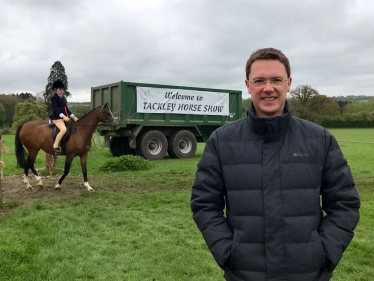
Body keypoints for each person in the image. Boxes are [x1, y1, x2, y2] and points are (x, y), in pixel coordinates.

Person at [190, 48, 360, 281]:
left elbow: (345, 204)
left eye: (276, 80)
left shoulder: (320, 140)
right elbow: (204, 204)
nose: (268, 88)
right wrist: (229, 254)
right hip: (245, 274)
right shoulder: (222, 142)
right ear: (248, 85)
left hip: (308, 274)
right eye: (259, 80)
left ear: (288, 83)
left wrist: (324, 253)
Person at [50, 79, 78, 155]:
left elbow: (66, 109)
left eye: (62, 89)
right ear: (55, 89)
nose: (61, 90)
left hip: (64, 118)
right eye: (60, 89)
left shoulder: (62, 99)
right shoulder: (54, 98)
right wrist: (63, 116)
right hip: (57, 118)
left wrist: (73, 116)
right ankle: (55, 146)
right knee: (63, 130)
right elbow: (55, 109)